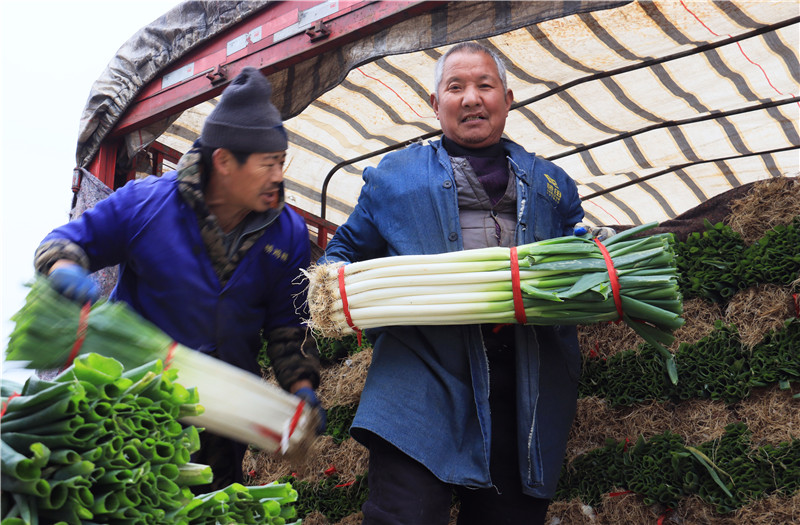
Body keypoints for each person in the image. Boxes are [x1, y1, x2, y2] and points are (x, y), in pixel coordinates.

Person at [320, 42, 586, 524]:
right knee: (405, 515)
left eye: (485, 86)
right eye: (456, 87)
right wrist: (342, 292)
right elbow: (340, 254)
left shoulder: (553, 184)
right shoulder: (393, 179)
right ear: (434, 103)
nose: (471, 98)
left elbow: (582, 255)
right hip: (420, 378)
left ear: (508, 98)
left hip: (523, 384)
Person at [34, 67, 324, 492]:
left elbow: (287, 326)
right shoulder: (147, 203)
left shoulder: (288, 234)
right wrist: (65, 272)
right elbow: (62, 243)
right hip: (130, 406)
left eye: (281, 163)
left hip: (220, 425)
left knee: (206, 511)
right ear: (224, 161)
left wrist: (301, 386)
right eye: (268, 165)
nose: (278, 177)